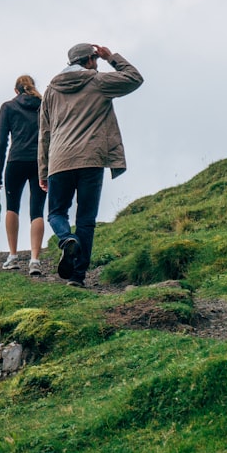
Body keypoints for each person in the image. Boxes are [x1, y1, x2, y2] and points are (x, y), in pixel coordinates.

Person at [38, 43, 143, 287]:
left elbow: (43, 133)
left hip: (59, 161)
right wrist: (111, 58)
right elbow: (134, 79)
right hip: (91, 159)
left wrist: (43, 170)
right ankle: (77, 277)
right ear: (88, 60)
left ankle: (65, 238)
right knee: (86, 219)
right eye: (94, 59)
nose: (96, 63)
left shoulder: (51, 91)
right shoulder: (98, 82)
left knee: (56, 213)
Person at [0, 75, 47, 276]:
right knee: (37, 210)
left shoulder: (8, 107)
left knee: (12, 206)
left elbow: (1, 142)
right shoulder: (43, 105)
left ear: (16, 90)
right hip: (39, 162)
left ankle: (13, 256)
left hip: (15, 161)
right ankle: (35, 260)